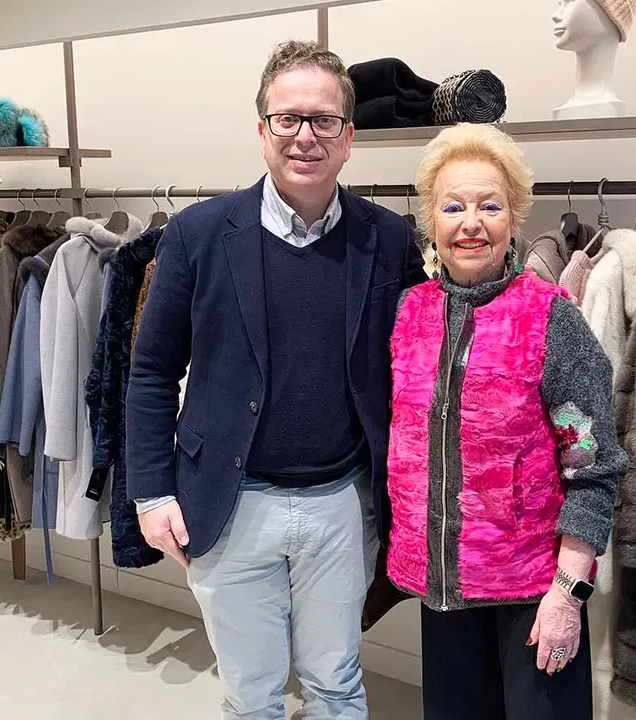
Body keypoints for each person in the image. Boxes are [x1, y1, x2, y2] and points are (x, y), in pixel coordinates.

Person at [126, 40, 426, 720]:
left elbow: (415, 370)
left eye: (322, 120)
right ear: (261, 129)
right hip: (229, 502)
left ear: (349, 137)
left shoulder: (388, 239)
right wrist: (150, 493)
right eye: (287, 118)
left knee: (336, 683)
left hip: (342, 505)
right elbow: (149, 372)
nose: (305, 136)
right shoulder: (197, 234)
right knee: (251, 693)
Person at [385, 123, 626, 719]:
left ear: (514, 219)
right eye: (454, 206)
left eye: (490, 205)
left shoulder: (551, 320)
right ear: (432, 223)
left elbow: (592, 464)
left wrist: (568, 594)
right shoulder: (410, 313)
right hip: (443, 588)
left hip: (533, 591)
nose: (471, 222)